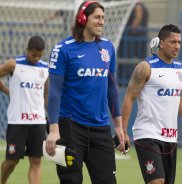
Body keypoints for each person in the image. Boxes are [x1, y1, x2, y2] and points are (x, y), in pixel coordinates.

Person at [45, 1, 125, 184]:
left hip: (100, 127)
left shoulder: (108, 48)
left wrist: (118, 126)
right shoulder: (62, 49)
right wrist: (53, 129)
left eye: (103, 18)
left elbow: (112, 88)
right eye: (97, 17)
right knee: (71, 181)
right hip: (70, 126)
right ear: (82, 19)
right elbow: (54, 92)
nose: (102, 22)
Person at [122, 24, 182, 184]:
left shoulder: (180, 69)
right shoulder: (145, 67)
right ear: (160, 43)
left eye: (179, 42)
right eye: (173, 42)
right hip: (147, 135)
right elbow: (129, 97)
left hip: (170, 138)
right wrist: (123, 131)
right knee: (156, 181)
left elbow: (181, 101)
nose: (177, 46)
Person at [0, 36, 48, 184]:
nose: (36, 58)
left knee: (36, 161)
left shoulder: (45, 68)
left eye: (39, 55)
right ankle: (2, 182)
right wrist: (8, 91)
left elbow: (46, 93)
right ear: (27, 50)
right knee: (12, 161)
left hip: (38, 122)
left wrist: (46, 111)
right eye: (33, 54)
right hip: (17, 121)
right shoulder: (13, 64)